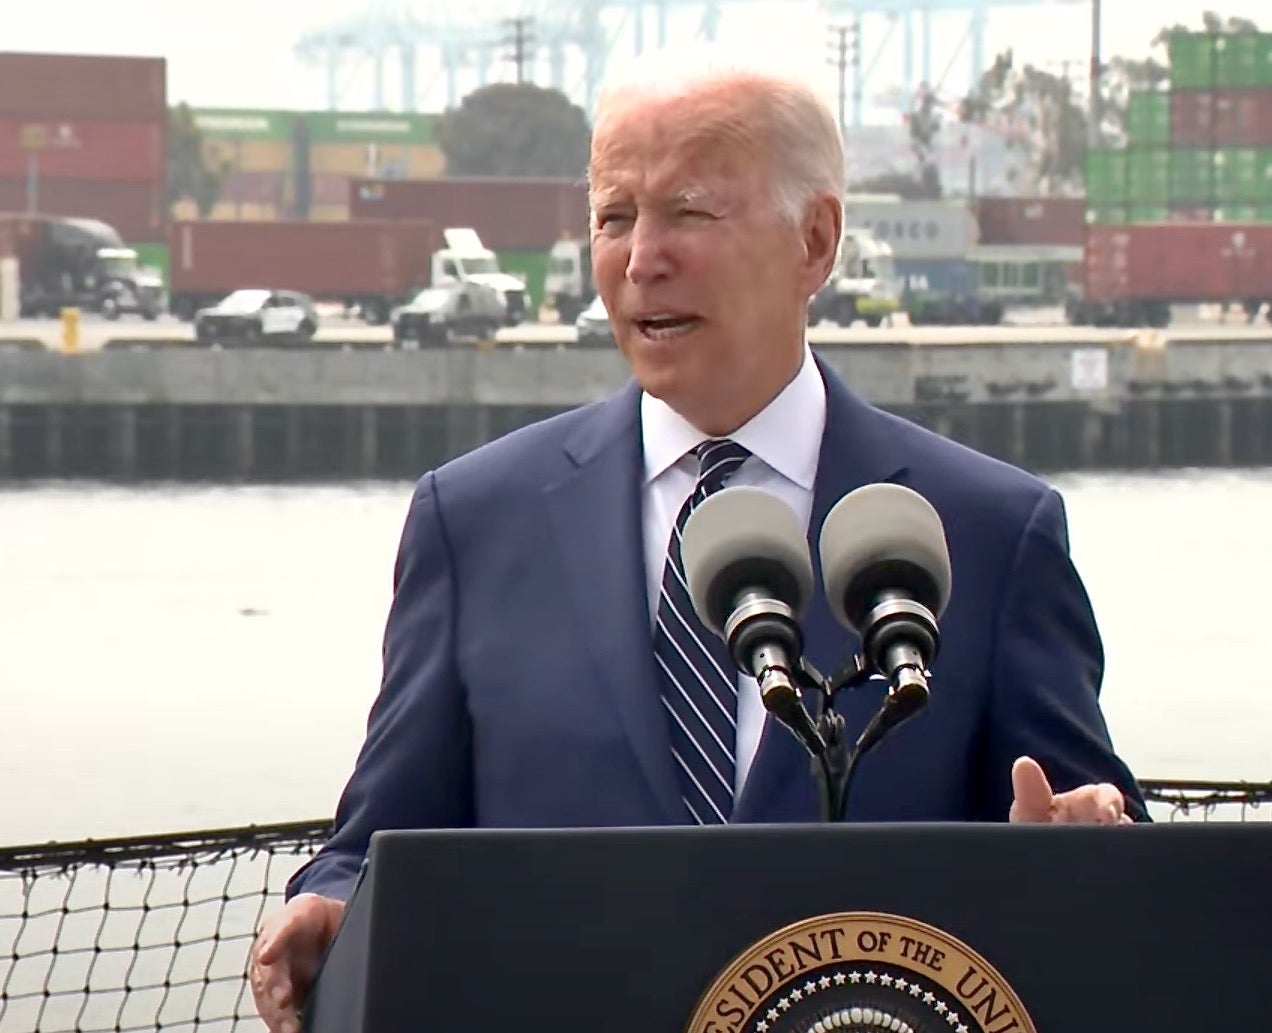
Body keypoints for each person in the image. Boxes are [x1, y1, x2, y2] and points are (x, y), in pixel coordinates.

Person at [245, 44, 1146, 1033]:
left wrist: (1082, 849)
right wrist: (327, 904)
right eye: (613, 217)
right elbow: (376, 837)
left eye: (689, 213)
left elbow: (1097, 836)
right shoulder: (475, 520)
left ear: (816, 241)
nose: (641, 260)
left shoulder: (987, 531)